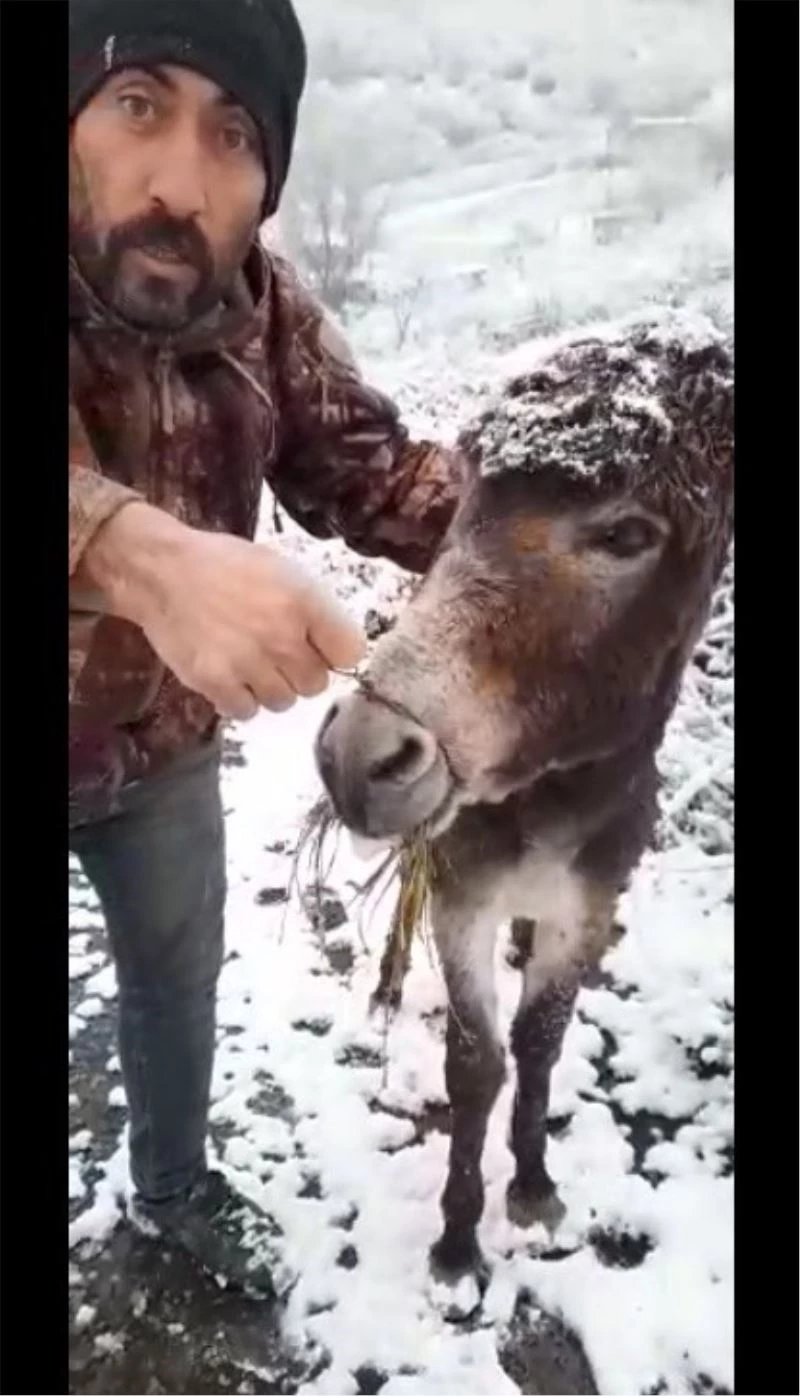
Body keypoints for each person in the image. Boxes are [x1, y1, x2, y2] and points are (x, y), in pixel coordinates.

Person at [68, 0, 462, 1298]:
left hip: (164, 756)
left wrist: (559, 523)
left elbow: (373, 471)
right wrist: (138, 556)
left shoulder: (263, 312)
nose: (181, 179)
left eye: (234, 133)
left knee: (176, 989)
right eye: (140, 104)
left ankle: (173, 1197)